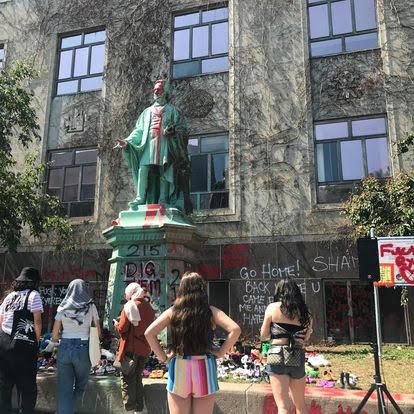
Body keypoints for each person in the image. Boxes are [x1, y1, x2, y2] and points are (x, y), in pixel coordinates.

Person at [145, 272, 241, 414]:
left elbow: (149, 333)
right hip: (204, 366)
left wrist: (163, 357)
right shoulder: (210, 312)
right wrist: (220, 352)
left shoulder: (173, 312)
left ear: (182, 289)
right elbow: (235, 329)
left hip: (179, 365)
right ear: (202, 289)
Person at [117, 80, 192, 213]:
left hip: (165, 144)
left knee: (165, 170)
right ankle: (140, 198)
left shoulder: (173, 110)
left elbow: (183, 130)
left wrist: (173, 132)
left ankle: (163, 199)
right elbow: (139, 130)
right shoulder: (147, 112)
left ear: (165, 92)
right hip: (149, 144)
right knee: (143, 169)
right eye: (155, 90)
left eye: (159, 89)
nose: (156, 92)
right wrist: (127, 141)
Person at [260, 278, 313, 414]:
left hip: (277, 356)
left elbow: (263, 335)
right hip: (297, 357)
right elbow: (305, 338)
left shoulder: (272, 308)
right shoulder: (305, 312)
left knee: (283, 406)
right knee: (301, 405)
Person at [51, 279, 101, 414]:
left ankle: (62, 411)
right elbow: (98, 332)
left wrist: (64, 336)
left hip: (64, 348)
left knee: (64, 389)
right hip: (83, 349)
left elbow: (54, 335)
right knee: (80, 386)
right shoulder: (91, 307)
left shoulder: (62, 307)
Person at [0, 267, 43, 414]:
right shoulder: (34, 295)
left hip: (4, 345)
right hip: (23, 347)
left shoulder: (8, 297)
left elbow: (1, 321)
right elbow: (37, 322)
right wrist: (37, 344)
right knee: (27, 388)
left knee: (4, 386)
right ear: (35, 282)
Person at [114, 283, 155, 414]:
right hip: (144, 348)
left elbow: (123, 328)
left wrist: (116, 324)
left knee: (127, 380)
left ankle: (130, 410)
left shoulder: (129, 306)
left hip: (130, 349)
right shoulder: (149, 308)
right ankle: (139, 410)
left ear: (130, 294)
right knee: (138, 378)